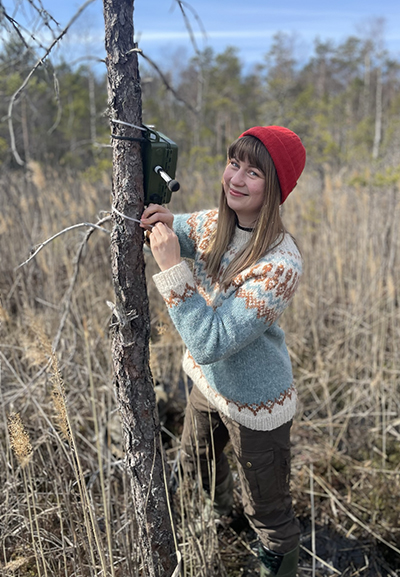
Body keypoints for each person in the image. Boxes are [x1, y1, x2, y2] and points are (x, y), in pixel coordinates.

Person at [141, 126, 306, 577]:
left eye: (254, 172)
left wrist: (173, 269)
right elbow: (181, 227)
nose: (236, 178)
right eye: (234, 163)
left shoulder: (279, 266)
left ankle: (278, 563)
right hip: (205, 385)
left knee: (268, 511)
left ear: (275, 189)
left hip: (256, 405)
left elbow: (211, 341)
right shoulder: (220, 223)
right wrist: (162, 220)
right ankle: (220, 515)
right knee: (199, 462)